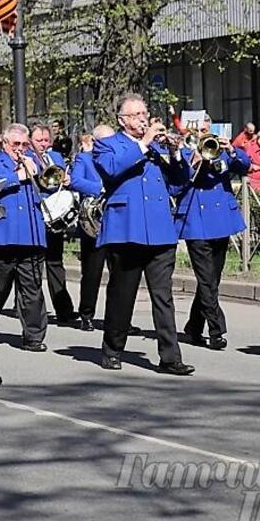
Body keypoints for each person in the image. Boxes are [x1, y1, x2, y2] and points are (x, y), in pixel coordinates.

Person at [93, 93, 194, 375]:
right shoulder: (108, 145)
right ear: (122, 120)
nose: (142, 118)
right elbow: (112, 170)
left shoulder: (156, 148)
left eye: (144, 113)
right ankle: (112, 348)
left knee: (163, 297)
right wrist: (144, 142)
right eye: (136, 115)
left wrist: (175, 153)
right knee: (122, 294)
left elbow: (178, 184)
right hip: (127, 229)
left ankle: (170, 357)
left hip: (160, 230)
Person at [173, 130, 250, 350]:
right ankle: (217, 331)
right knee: (206, 279)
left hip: (221, 220)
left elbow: (244, 166)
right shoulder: (187, 154)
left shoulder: (222, 153)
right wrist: (193, 162)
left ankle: (194, 326)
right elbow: (177, 182)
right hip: (195, 222)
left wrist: (232, 149)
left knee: (212, 279)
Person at [0, 124, 48, 349]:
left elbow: (51, 187)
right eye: (16, 144)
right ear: (5, 144)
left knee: (32, 287)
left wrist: (40, 171)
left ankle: (34, 336)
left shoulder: (35, 161)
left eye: (25, 144)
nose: (20, 149)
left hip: (31, 233)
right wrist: (19, 174)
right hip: (3, 234)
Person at [28, 124, 78, 326]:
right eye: (39, 140)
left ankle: (64, 309)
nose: (43, 144)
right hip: (37, 216)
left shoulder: (55, 157)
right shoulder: (27, 158)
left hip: (54, 217)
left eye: (46, 140)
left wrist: (68, 180)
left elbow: (65, 177)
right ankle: (32, 310)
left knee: (56, 263)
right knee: (34, 266)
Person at [69, 125, 114, 331]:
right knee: (92, 271)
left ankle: (118, 318)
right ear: (96, 142)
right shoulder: (84, 158)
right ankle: (86, 314)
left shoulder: (119, 158)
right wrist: (102, 189)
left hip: (117, 220)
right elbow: (76, 180)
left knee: (120, 273)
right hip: (94, 221)